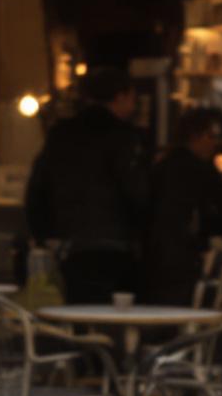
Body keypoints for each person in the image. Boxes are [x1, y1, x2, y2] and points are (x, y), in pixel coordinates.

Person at [25, 68, 151, 304]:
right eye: (133, 98)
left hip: (71, 246)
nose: (134, 106)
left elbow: (37, 188)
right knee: (112, 320)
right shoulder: (124, 137)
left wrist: (43, 235)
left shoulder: (61, 133)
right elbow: (137, 192)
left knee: (78, 315)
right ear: (120, 96)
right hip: (115, 246)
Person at [144, 106, 222, 306]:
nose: (215, 143)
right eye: (211, 136)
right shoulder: (201, 170)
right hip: (185, 256)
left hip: (152, 258)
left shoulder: (160, 166)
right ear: (195, 136)